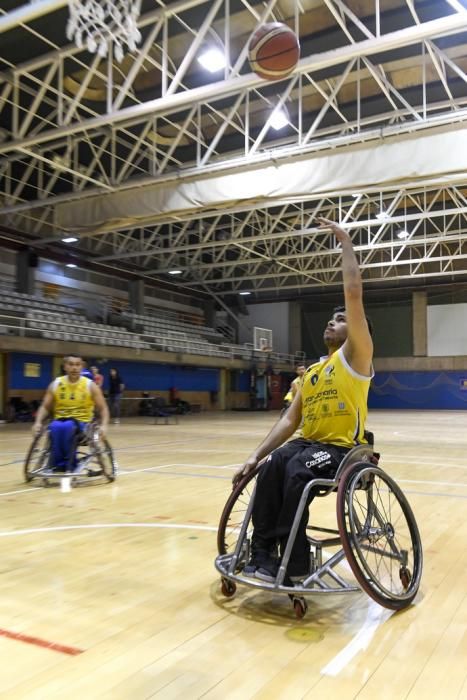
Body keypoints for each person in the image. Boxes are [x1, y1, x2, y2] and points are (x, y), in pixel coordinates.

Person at [233, 217, 374, 583]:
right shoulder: (311, 373)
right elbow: (288, 421)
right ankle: (262, 552)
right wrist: (254, 456)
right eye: (331, 318)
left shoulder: (356, 358)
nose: (333, 321)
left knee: (298, 470)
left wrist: (345, 242)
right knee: (274, 466)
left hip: (343, 450)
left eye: (341, 319)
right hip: (306, 443)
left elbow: (354, 292)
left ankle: (293, 562)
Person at [32, 354, 109, 472]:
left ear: (82, 367)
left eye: (77, 365)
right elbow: (45, 407)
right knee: (54, 426)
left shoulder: (90, 385)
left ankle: (68, 463)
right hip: (60, 420)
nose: (74, 368)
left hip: (83, 425)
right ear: (65, 367)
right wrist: (37, 422)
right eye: (71, 364)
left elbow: (103, 409)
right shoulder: (56, 384)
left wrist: (104, 426)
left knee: (68, 426)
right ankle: (58, 464)